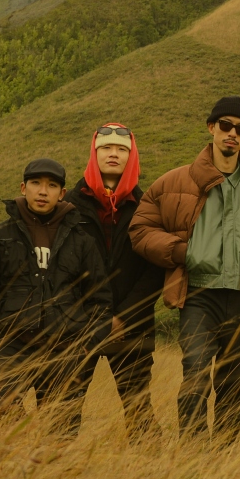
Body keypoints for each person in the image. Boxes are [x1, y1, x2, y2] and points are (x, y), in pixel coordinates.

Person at [129, 96, 240, 447]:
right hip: (199, 296)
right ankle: (193, 454)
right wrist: (183, 252)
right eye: (225, 125)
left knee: (235, 385)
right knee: (196, 377)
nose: (232, 133)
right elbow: (140, 229)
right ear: (211, 128)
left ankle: (223, 460)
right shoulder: (175, 182)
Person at [0, 158, 113, 436]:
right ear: (23, 188)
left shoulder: (81, 241)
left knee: (61, 433)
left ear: (62, 194)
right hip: (12, 347)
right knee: (2, 425)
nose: (42, 191)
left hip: (66, 348)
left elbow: (100, 298)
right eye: (36, 183)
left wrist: (87, 346)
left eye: (51, 185)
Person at [64, 123, 165, 445]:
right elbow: (62, 269)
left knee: (138, 408)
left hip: (132, 325)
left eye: (121, 149)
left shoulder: (148, 206)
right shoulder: (68, 206)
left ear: (131, 156)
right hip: (79, 326)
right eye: (106, 148)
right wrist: (90, 316)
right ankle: (53, 473)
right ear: (94, 153)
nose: (113, 154)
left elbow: (154, 270)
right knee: (64, 407)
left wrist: (124, 315)